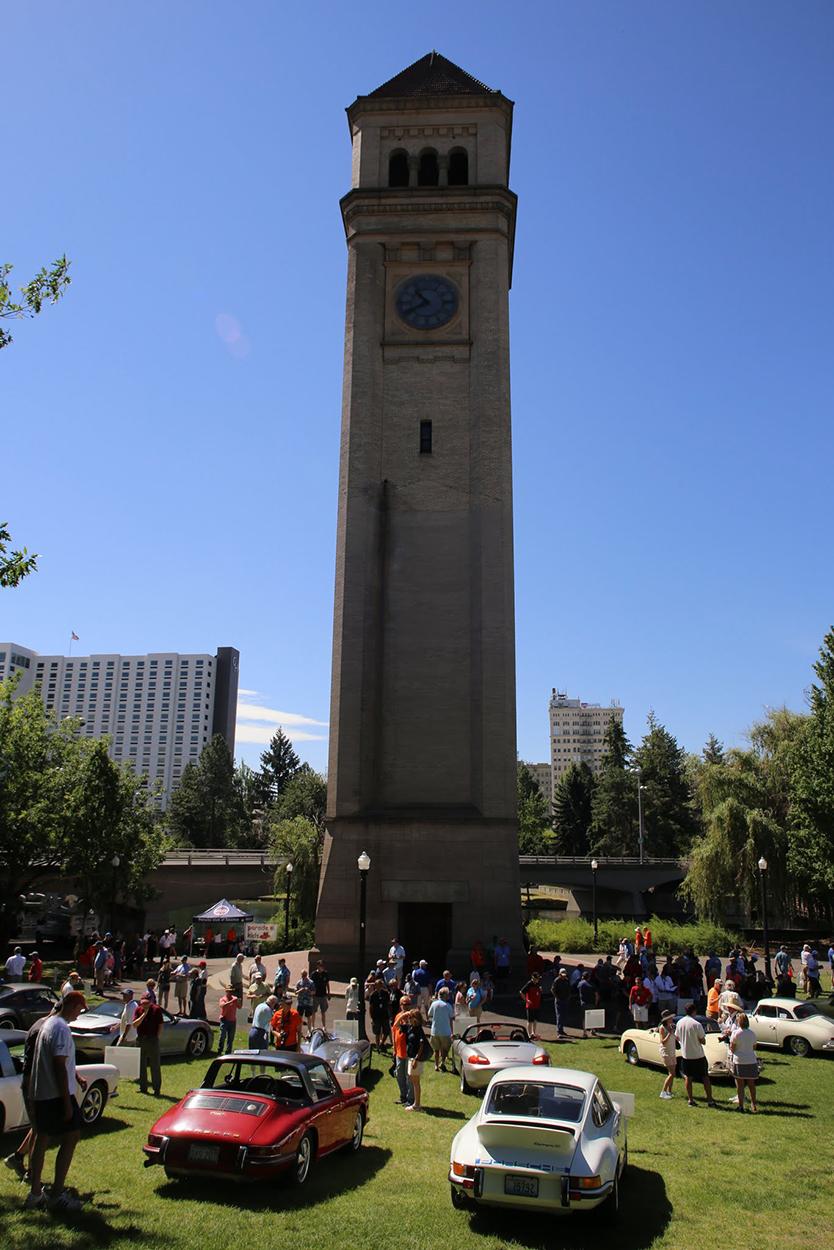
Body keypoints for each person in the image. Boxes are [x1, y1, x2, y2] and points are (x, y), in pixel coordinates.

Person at [25, 990, 88, 1212]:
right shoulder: (61, 1028)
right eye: (80, 1009)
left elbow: (60, 1063)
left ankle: (35, 1193)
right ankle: (57, 1194)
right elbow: (59, 1065)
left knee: (41, 1139)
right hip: (56, 1095)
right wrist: (66, 1102)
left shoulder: (48, 1023)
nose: (79, 1015)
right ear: (71, 1005)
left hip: (41, 1093)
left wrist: (76, 1076)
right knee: (71, 1137)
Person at [675, 1002, 716, 1108]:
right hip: (698, 1055)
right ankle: (710, 1100)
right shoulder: (696, 1024)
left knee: (688, 1078)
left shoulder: (680, 1023)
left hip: (686, 1055)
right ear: (694, 1011)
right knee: (705, 1077)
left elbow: (677, 1037)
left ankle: (690, 1099)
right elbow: (703, 1040)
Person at [134, 992, 164, 1096]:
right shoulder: (138, 1010)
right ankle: (143, 1088)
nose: (144, 1005)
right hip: (141, 1039)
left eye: (146, 1003)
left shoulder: (156, 1009)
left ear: (150, 1002)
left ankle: (156, 1089)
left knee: (154, 1065)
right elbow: (135, 1024)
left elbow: (160, 1025)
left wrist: (156, 1038)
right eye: (143, 1003)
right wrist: (143, 1015)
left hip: (152, 1039)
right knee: (141, 1065)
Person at [729, 1012, 759, 1112]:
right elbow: (754, 1046)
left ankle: (741, 1106)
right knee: (751, 1084)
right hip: (751, 1060)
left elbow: (732, 1048)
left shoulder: (736, 1033)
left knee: (740, 1085)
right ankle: (753, 1104)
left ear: (739, 1022)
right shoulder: (752, 1033)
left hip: (739, 1060)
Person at [402, 1009, 429, 1112]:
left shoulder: (418, 1029)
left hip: (416, 1059)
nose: (409, 1019)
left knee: (416, 1081)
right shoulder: (410, 1028)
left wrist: (416, 1059)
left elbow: (422, 1045)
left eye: (410, 1017)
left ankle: (417, 1105)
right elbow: (396, 1026)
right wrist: (405, 1014)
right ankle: (416, 1103)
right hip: (411, 1057)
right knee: (413, 1080)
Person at [391, 994, 413, 1106]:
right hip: (399, 1051)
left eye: (408, 1004)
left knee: (409, 1076)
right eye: (404, 1004)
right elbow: (394, 1030)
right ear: (400, 1005)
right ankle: (403, 1096)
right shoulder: (398, 1016)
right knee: (399, 1074)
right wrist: (394, 1048)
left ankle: (410, 1099)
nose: (406, 1006)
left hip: (410, 1052)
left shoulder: (413, 1016)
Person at [428, 987, 455, 1071]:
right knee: (445, 1049)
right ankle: (442, 1062)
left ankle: (436, 1065)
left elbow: (429, 1014)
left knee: (436, 1050)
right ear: (445, 995)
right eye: (448, 994)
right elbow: (451, 1019)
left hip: (435, 1031)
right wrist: (452, 1031)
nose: (449, 996)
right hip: (445, 1031)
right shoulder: (448, 1006)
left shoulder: (434, 1004)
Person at [658, 1009, 677, 1099]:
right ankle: (663, 1092)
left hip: (672, 1051)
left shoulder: (672, 1026)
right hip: (666, 1052)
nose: (672, 1019)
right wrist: (669, 1033)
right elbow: (663, 1041)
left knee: (672, 1073)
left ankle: (669, 1092)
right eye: (670, 1018)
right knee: (672, 1074)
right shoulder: (662, 1028)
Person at [369, 978, 391, 1051]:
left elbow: (388, 1004)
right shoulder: (373, 995)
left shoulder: (385, 993)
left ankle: (382, 1043)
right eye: (377, 985)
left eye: (380, 985)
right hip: (376, 1016)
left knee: (386, 1031)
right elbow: (371, 1007)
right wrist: (371, 1017)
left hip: (384, 1015)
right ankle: (378, 1046)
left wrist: (389, 1014)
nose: (378, 986)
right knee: (377, 1032)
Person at [519, 973, 543, 1039]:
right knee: (530, 1021)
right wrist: (526, 1000)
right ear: (533, 978)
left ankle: (533, 1033)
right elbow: (521, 992)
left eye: (538, 979)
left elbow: (539, 991)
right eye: (537, 979)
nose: (538, 980)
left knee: (535, 1020)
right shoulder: (529, 984)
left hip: (537, 1005)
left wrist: (540, 991)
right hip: (530, 1006)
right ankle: (529, 1034)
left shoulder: (538, 984)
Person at [217, 985, 238, 1054]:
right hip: (224, 1020)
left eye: (231, 991)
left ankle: (228, 1051)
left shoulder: (235, 998)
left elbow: (239, 1006)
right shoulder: (223, 999)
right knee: (222, 1036)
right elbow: (222, 1005)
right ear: (226, 991)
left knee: (231, 1037)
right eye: (229, 991)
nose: (230, 992)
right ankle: (220, 1050)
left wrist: (239, 1001)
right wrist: (231, 1001)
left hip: (232, 1020)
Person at [311, 961, 331, 1029]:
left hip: (323, 995)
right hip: (315, 995)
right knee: (313, 1011)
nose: (322, 967)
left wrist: (328, 993)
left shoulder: (325, 973)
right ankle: (312, 1026)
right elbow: (311, 984)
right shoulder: (314, 974)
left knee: (323, 1011)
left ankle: (324, 1026)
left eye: (322, 966)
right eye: (320, 966)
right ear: (317, 966)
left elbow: (327, 984)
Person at [295, 970, 315, 1036]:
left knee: (308, 1017)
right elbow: (295, 992)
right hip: (300, 1003)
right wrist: (300, 990)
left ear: (307, 975)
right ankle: (299, 1031)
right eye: (302, 975)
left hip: (308, 1003)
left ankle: (309, 1031)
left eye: (304, 975)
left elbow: (313, 992)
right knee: (299, 1017)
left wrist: (308, 990)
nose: (303, 977)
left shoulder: (311, 982)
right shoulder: (299, 982)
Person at [553, 968, 571, 1038]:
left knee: (563, 1015)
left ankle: (561, 1029)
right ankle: (559, 1031)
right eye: (562, 975)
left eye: (564, 975)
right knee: (559, 1015)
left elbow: (569, 989)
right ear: (559, 974)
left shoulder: (567, 980)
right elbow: (553, 989)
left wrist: (568, 996)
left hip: (565, 1000)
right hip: (559, 1000)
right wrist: (557, 998)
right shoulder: (557, 980)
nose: (563, 976)